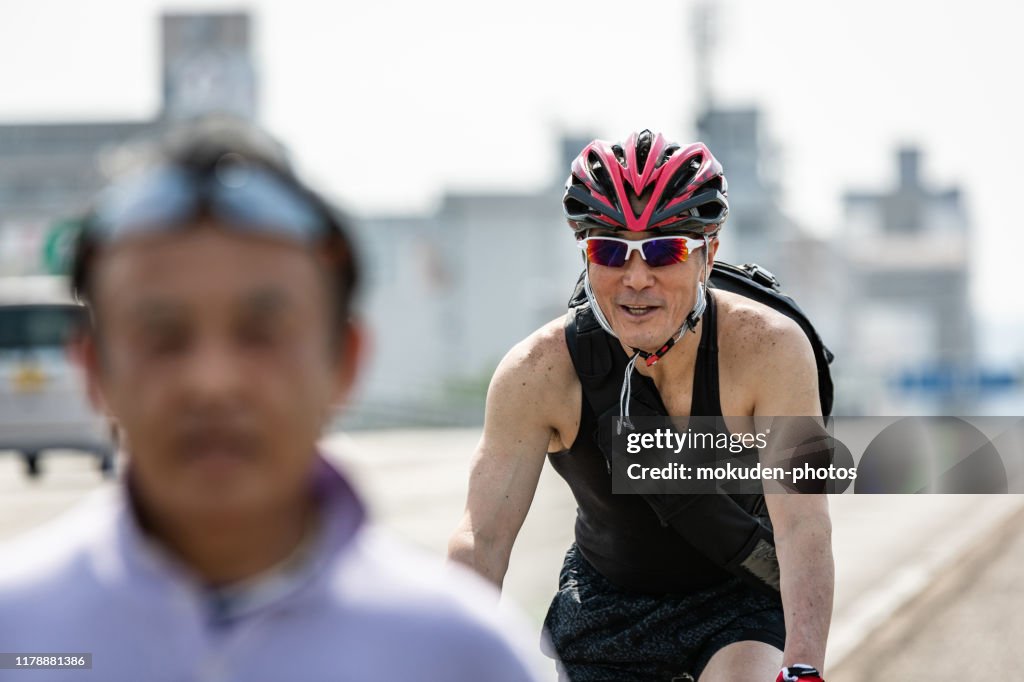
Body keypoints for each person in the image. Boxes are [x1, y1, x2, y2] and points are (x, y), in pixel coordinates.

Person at [0, 118, 548, 682]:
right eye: (162, 335)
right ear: (94, 369)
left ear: (345, 359)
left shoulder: (459, 656)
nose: (212, 382)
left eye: (261, 332)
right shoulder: (15, 635)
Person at [448, 130, 833, 681]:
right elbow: (480, 540)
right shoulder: (538, 372)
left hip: (737, 597)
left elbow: (803, 525)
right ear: (585, 254)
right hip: (608, 603)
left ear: (708, 254)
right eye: (609, 250)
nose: (636, 278)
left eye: (663, 249)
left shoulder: (770, 349)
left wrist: (803, 668)